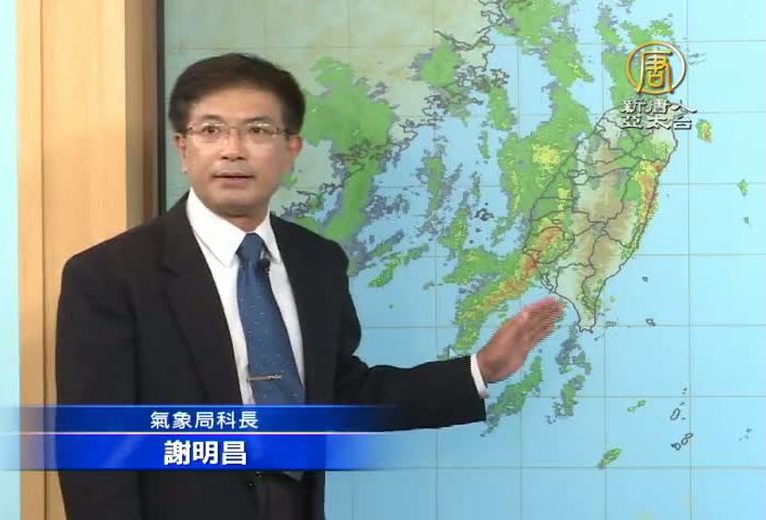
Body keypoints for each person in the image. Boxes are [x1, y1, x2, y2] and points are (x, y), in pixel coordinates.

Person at [56, 53, 564, 520]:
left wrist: (481, 369)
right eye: (211, 130)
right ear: (183, 148)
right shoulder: (109, 275)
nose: (233, 150)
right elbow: (98, 451)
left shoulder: (316, 262)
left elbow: (342, 393)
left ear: (290, 148)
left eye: (258, 130)